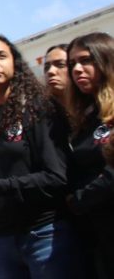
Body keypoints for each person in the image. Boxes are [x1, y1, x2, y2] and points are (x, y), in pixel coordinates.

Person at [0, 34, 77, 278]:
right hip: (1, 239)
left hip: (44, 233)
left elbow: (58, 177)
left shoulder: (39, 108)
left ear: (15, 63)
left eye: (1, 55)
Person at [64, 32, 114, 278]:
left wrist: (79, 199)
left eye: (85, 61)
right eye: (72, 64)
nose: (77, 69)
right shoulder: (84, 118)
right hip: (97, 235)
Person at [43, 44, 72, 109]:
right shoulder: (37, 114)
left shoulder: (95, 109)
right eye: (46, 67)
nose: (50, 71)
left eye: (60, 64)